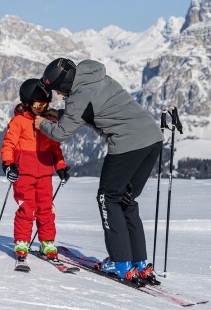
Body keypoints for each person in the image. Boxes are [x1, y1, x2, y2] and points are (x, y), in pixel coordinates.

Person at [34, 58, 163, 282]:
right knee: (126, 200)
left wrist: (41, 123)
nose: (60, 95)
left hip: (128, 144)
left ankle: (120, 263)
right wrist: (60, 113)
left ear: (64, 85)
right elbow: (90, 108)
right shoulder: (96, 77)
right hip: (152, 139)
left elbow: (60, 133)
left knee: (108, 198)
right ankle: (140, 264)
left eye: (58, 90)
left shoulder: (77, 97)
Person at [1, 79, 69, 264]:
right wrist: (8, 164)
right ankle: (22, 241)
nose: (41, 108)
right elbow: (8, 144)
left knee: (46, 209)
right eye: (38, 104)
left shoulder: (48, 122)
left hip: (45, 174)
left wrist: (61, 167)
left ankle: (47, 242)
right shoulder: (18, 121)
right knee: (27, 208)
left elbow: (56, 148)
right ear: (27, 103)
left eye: (45, 105)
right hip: (24, 173)